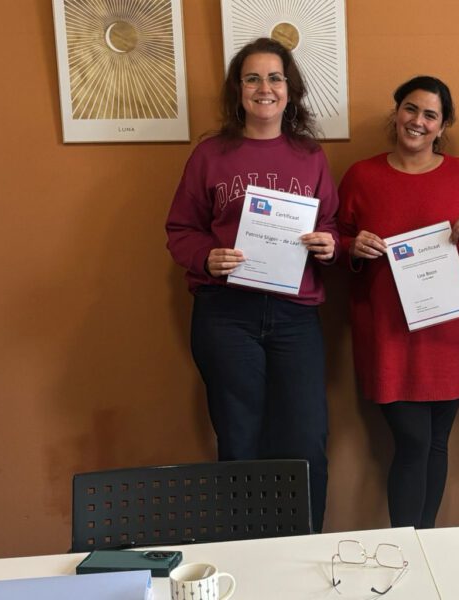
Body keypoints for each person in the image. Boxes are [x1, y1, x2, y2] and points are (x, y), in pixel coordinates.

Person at [165, 38, 337, 532]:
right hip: (227, 314)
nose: (265, 88)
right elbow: (181, 229)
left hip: (295, 316)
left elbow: (331, 223)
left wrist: (329, 244)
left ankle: (304, 545)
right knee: (240, 441)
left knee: (306, 439)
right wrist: (207, 256)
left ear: (290, 89)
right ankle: (246, 550)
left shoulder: (310, 156)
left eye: (275, 78)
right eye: (253, 78)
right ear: (237, 90)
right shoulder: (210, 155)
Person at [338, 76, 459, 529]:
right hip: (387, 332)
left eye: (430, 115)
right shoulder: (361, 176)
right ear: (396, 112)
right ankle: (407, 545)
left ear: (442, 126)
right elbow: (336, 242)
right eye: (410, 109)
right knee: (412, 442)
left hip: (449, 332)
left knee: (436, 443)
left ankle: (424, 542)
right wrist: (353, 247)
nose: (418, 121)